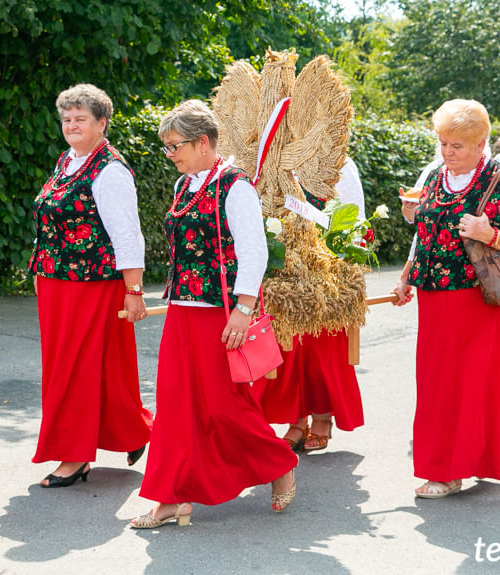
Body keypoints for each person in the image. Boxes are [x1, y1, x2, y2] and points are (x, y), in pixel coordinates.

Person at [131, 100, 297, 528]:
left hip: (219, 314)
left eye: (175, 146)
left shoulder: (234, 186)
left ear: (202, 142)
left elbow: (253, 251)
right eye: (166, 147)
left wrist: (243, 310)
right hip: (182, 310)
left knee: (223, 405)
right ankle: (171, 497)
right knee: (173, 404)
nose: (170, 155)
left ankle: (278, 464)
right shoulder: (183, 187)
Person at [394, 99, 500, 498]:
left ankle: (451, 470)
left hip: (478, 302)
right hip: (434, 299)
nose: (447, 153)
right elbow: (423, 234)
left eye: (456, 146)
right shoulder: (434, 176)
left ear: (481, 144)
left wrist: (488, 233)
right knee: (435, 385)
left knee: (471, 385)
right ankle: (449, 465)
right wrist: (407, 276)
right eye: (443, 143)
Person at [28, 84, 153, 487]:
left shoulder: (110, 170)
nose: (71, 125)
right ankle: (135, 431)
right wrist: (39, 273)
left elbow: (128, 236)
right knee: (100, 368)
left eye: (80, 118)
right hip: (56, 283)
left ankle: (75, 455)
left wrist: (134, 291)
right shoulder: (68, 161)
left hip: (91, 285)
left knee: (75, 369)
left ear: (102, 122)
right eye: (66, 119)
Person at [252, 156, 365, 452]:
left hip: (324, 269)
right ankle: (296, 420)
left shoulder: (339, 161)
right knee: (289, 350)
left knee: (322, 348)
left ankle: (323, 418)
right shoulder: (273, 159)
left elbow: (353, 219)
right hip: (285, 268)